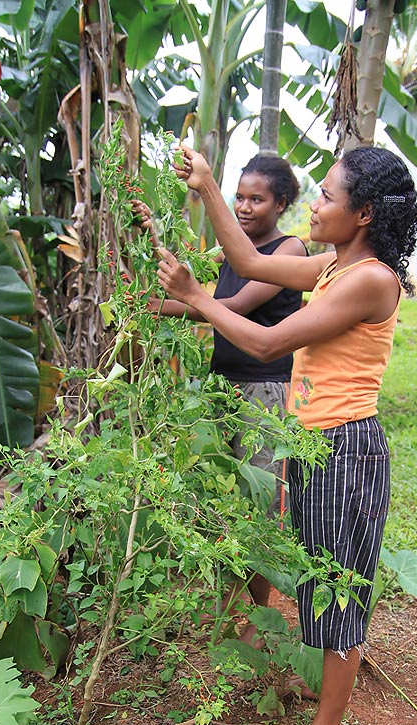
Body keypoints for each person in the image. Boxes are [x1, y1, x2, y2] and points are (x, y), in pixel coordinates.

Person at [156, 143, 417, 725]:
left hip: (345, 450)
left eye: (328, 196)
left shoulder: (371, 278)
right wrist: (207, 187)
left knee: (338, 590)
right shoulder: (335, 267)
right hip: (315, 445)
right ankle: (322, 705)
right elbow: (249, 260)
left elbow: (269, 339)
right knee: (318, 582)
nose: (316, 205)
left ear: (361, 213)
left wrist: (198, 297)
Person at [137, 155, 308, 631]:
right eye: (239, 197)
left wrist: (164, 306)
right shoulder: (230, 248)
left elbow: (228, 306)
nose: (245, 207)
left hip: (264, 393)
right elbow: (183, 272)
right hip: (221, 387)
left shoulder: (289, 251)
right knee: (222, 499)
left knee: (260, 504)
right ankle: (233, 610)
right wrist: (148, 231)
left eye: (258, 199)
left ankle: (259, 619)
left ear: (282, 203)